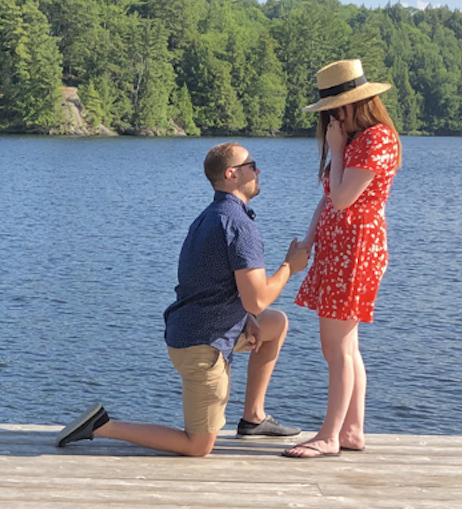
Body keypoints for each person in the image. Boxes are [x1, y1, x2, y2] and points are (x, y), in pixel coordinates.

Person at [57, 142, 310, 457]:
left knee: (275, 323)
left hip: (194, 330)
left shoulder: (211, 217)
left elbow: (210, 284)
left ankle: (253, 418)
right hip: (203, 347)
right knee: (198, 446)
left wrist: (247, 318)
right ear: (232, 174)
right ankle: (102, 426)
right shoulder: (240, 227)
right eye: (251, 165)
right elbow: (257, 299)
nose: (258, 171)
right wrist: (290, 267)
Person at [283, 59, 402, 458]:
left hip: (357, 250)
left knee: (336, 346)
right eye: (330, 110)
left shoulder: (376, 139)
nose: (334, 116)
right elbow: (327, 200)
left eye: (340, 107)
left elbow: (342, 198)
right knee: (344, 346)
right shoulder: (355, 140)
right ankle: (351, 430)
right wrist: (311, 240)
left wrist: (335, 150)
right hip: (339, 249)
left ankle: (330, 435)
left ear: (361, 102)